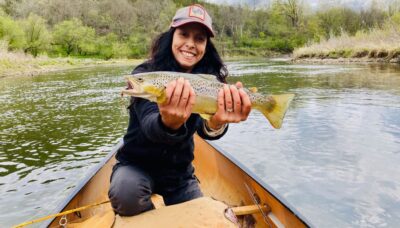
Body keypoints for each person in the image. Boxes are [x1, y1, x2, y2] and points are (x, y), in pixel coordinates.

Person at [108, 4, 251, 216]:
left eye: (199, 38)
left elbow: (206, 130)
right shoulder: (146, 73)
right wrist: (169, 123)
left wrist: (217, 122)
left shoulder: (211, 80)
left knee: (201, 217)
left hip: (179, 175)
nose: (190, 44)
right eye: (183, 34)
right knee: (125, 192)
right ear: (171, 36)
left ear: (206, 45)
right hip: (136, 165)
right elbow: (149, 124)